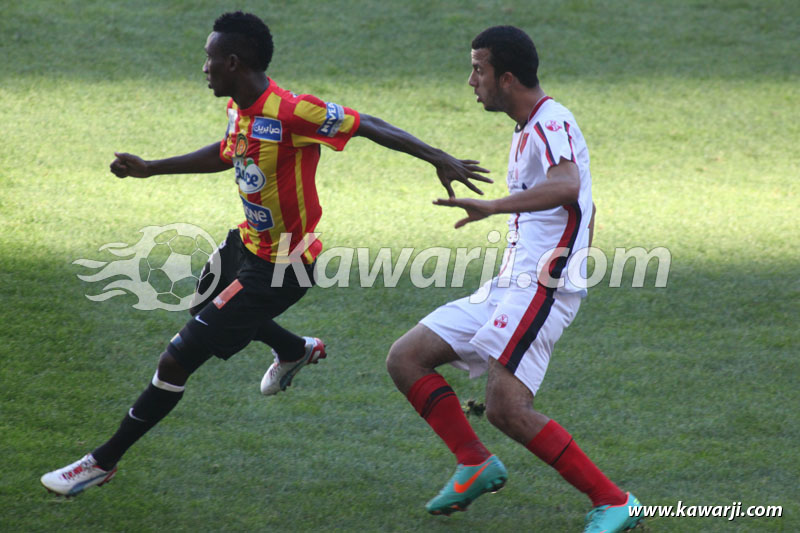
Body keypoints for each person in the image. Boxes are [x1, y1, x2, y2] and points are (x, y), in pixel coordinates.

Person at [40, 11, 490, 497]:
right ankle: (294, 350)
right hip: (246, 247)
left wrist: (438, 157)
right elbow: (228, 152)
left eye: (210, 59)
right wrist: (153, 169)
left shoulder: (294, 112)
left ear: (233, 62)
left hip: (283, 266)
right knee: (203, 309)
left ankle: (100, 463)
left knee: (175, 361)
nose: (204, 68)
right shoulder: (240, 108)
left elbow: (368, 125)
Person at [385, 26, 643, 532]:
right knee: (406, 358)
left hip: (543, 287)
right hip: (510, 285)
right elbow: (579, 203)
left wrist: (495, 208)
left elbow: (568, 184)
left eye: (478, 69)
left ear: (506, 77)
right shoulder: (526, 128)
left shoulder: (552, 121)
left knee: (506, 407)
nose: (471, 80)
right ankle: (474, 462)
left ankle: (614, 501)